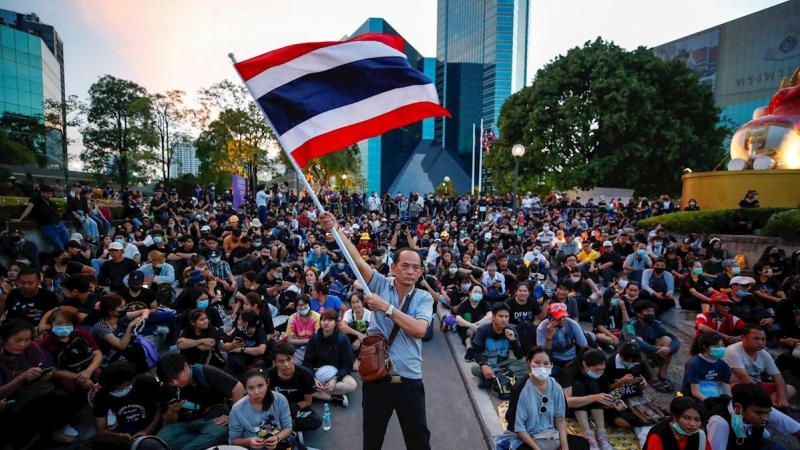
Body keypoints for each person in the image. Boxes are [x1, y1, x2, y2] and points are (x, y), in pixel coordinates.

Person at [319, 210, 434, 450]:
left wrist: (387, 308)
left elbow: (419, 330)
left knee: (419, 441)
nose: (410, 271)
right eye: (405, 266)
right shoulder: (380, 283)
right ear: (394, 266)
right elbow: (358, 262)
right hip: (376, 378)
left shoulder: (424, 298)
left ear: (421, 272)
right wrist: (337, 229)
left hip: (409, 381)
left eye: (416, 268)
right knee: (372, 440)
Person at [0, 319, 84, 447]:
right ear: (3, 339)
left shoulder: (32, 347)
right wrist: (21, 377)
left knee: (60, 396)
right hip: (10, 403)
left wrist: (44, 374)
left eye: (27, 340)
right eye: (18, 341)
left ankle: (52, 432)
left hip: (36, 392)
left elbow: (48, 367)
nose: (23, 345)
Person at [501, 346, 590, 450]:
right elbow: (519, 428)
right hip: (528, 439)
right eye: (537, 363)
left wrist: (564, 446)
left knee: (582, 444)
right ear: (529, 362)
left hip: (550, 435)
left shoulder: (555, 386)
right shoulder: (520, 388)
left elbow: (560, 419)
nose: (541, 367)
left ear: (551, 365)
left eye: (546, 363)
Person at [156, 353, 245, 450]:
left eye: (176, 377)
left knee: (219, 431)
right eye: (170, 381)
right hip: (184, 423)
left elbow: (238, 388)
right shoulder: (167, 387)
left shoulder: (205, 372)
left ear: (185, 366)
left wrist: (232, 417)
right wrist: (171, 413)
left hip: (212, 419)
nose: (174, 383)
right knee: (160, 439)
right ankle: (198, 444)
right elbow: (168, 420)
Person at [706, 383, 800, 450]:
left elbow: (797, 429)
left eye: (768, 413)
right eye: (759, 413)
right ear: (738, 408)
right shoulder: (719, 422)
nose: (765, 418)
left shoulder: (763, 409)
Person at [723, 324, 796, 408]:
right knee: (746, 392)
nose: (761, 342)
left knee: (789, 389)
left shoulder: (764, 354)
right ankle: (769, 405)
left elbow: (777, 376)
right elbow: (744, 378)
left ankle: (771, 406)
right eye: (756, 339)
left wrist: (782, 398)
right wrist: (764, 397)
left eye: (763, 339)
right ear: (743, 338)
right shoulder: (732, 351)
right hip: (737, 387)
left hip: (757, 386)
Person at [559, 348, 617, 450]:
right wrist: (593, 398)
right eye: (596, 370)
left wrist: (613, 403)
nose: (600, 372)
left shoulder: (601, 374)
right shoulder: (570, 371)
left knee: (593, 385)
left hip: (592, 409)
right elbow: (566, 402)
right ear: (585, 364)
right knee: (578, 385)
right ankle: (588, 434)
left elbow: (604, 395)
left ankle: (601, 433)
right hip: (573, 409)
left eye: (602, 369)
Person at [39, 306, 103, 395]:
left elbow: (97, 354)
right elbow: (52, 370)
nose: (63, 326)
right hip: (65, 374)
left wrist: (88, 371)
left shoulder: (83, 334)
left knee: (98, 374)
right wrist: (78, 378)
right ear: (52, 323)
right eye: (59, 323)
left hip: (87, 368)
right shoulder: (45, 343)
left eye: (68, 323)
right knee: (69, 387)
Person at [92, 361, 162, 441]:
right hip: (126, 429)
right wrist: (119, 435)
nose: (115, 391)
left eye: (118, 388)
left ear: (130, 381)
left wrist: (149, 430)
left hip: (152, 423)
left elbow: (160, 407)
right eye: (112, 390)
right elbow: (101, 430)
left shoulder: (148, 383)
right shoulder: (102, 394)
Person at [621, 300, 681, 393]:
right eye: (647, 311)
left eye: (652, 311)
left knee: (667, 340)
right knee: (638, 341)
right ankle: (652, 376)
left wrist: (669, 349)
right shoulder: (630, 324)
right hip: (629, 358)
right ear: (639, 313)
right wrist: (656, 349)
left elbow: (675, 339)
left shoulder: (656, 324)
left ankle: (662, 375)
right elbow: (633, 340)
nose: (651, 314)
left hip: (648, 355)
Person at [229, 367, 294, 450]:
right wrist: (248, 441)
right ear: (245, 389)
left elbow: (288, 428)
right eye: (251, 388)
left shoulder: (280, 399)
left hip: (279, 443)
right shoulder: (237, 409)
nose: (256, 392)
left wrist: (277, 438)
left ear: (267, 383)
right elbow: (234, 440)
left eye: (260, 386)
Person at [303, 309, 357, 406]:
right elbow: (307, 362)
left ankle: (318, 394)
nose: (326, 323)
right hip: (317, 374)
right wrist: (313, 379)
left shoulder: (342, 339)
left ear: (336, 323)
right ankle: (334, 398)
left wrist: (335, 378)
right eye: (323, 320)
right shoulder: (314, 338)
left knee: (352, 384)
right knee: (302, 385)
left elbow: (347, 364)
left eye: (330, 320)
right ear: (320, 322)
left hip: (337, 373)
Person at [266, 343, 322, 433]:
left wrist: (295, 407)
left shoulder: (306, 374)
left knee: (316, 420)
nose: (286, 364)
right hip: (276, 408)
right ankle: (286, 427)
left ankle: (284, 427)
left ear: (294, 358)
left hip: (297, 408)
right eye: (281, 361)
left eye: (289, 359)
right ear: (274, 362)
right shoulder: (268, 375)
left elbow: (308, 401)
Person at [471, 302, 528, 383]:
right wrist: (484, 366)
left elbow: (519, 356)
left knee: (525, 364)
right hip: (488, 363)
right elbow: (476, 353)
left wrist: (513, 340)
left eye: (506, 317)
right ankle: (502, 377)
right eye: (500, 316)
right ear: (493, 316)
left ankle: (493, 378)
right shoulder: (483, 330)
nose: (504, 320)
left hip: (504, 364)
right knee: (474, 369)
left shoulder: (512, 331)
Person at [11, 184, 70, 248]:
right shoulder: (36, 198)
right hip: (48, 226)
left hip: (59, 224)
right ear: (42, 193)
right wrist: (20, 219)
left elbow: (57, 211)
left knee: (67, 244)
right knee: (59, 246)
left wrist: (59, 214)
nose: (49, 195)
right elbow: (29, 208)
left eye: (51, 194)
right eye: (47, 193)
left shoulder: (50, 203)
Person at [643, 395, 709, 450]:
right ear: (674, 417)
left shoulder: (700, 437)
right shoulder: (658, 436)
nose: (692, 424)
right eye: (686, 418)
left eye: (697, 419)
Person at [537, 302, 588, 372]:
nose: (562, 320)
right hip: (552, 359)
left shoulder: (573, 324)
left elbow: (584, 347)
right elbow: (543, 353)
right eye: (558, 317)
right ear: (550, 317)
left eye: (563, 316)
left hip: (572, 358)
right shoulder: (542, 328)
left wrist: (577, 361)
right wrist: (549, 337)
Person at [681, 332, 732, 401]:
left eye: (722, 346)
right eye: (717, 346)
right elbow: (695, 392)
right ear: (705, 347)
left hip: (714, 395)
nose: (721, 349)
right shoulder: (694, 364)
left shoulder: (724, 366)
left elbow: (727, 391)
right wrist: (709, 403)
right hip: (693, 398)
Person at [339, 292, 373, 370]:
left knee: (355, 368)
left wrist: (359, 339)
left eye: (357, 302)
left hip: (365, 338)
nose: (355, 305)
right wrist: (358, 334)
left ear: (363, 302)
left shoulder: (369, 314)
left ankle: (359, 358)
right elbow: (343, 327)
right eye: (353, 302)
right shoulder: (349, 313)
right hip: (353, 338)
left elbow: (373, 331)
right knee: (343, 336)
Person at [286, 294, 320, 364]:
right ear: (295, 307)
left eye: (305, 304)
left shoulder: (317, 317)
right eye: (299, 305)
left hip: (313, 346)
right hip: (296, 346)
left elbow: (317, 339)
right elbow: (289, 340)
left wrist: (301, 341)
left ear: (309, 305)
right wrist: (307, 340)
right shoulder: (292, 318)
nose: (302, 307)